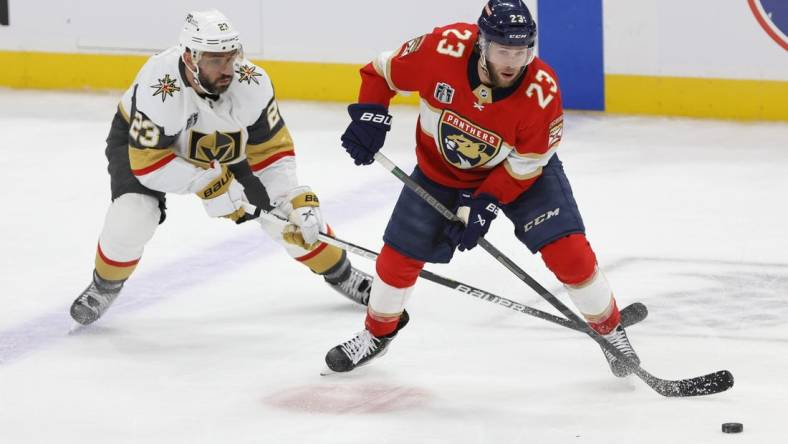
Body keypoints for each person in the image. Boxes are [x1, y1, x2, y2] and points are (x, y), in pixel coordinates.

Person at [325, 0, 640, 376]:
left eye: (522, 52)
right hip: (440, 173)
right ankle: (377, 335)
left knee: (570, 253)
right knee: (396, 260)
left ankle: (611, 332)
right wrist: (371, 116)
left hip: (522, 175)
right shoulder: (442, 49)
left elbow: (527, 163)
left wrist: (486, 201)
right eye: (502, 50)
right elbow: (380, 72)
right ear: (480, 44)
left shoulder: (541, 91)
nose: (512, 62)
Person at [70, 9, 372, 326]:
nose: (227, 69)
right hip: (145, 148)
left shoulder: (252, 82)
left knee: (284, 218)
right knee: (134, 213)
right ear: (190, 57)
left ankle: (343, 274)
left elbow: (271, 151)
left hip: (218, 144)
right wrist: (209, 183)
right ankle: (104, 284)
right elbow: (149, 165)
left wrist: (290, 197)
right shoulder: (159, 86)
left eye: (230, 57)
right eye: (215, 60)